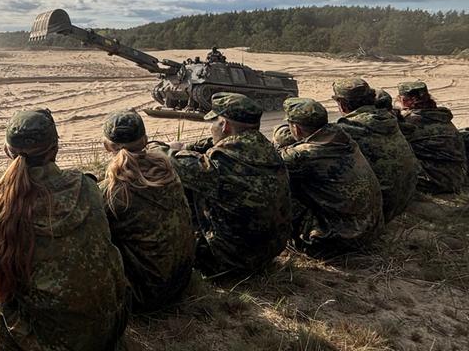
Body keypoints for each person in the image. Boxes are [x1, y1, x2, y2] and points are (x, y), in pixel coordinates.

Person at [0, 109, 129, 350]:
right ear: (55, 149)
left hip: (43, 343)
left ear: (7, 151)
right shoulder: (88, 187)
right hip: (109, 329)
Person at [158, 92, 291, 277]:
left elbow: (168, 160)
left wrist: (170, 148)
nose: (212, 127)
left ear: (225, 125)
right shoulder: (268, 150)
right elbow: (217, 146)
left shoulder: (219, 163)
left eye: (214, 121)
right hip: (268, 253)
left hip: (227, 262)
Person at [100, 110, 195, 311]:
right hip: (181, 282)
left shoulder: (113, 191)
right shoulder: (169, 171)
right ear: (145, 140)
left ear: (107, 146)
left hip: (144, 296)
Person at [278, 98, 383, 256]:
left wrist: (279, 139)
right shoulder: (343, 137)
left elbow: (273, 165)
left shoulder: (303, 155)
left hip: (337, 241)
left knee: (277, 190)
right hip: (371, 229)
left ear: (296, 129)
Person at [332, 78, 419, 222]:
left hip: (380, 209)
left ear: (342, 104)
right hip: (402, 199)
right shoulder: (388, 118)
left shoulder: (348, 128)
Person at [397, 81, 467, 194]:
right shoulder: (441, 116)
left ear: (404, 101)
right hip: (458, 176)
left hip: (437, 181)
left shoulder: (410, 121)